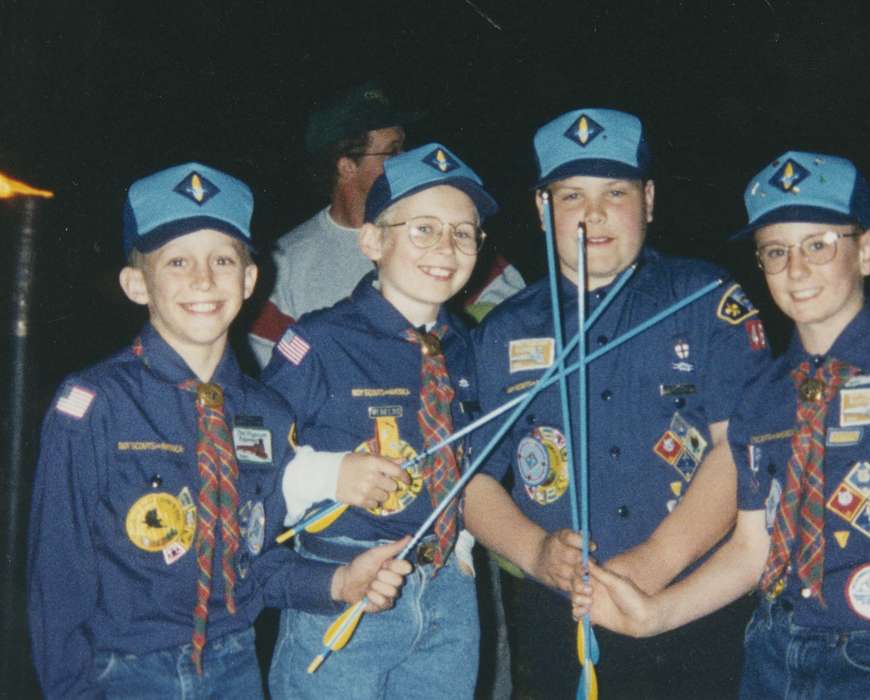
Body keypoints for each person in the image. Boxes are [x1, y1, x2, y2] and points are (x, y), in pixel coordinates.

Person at [572, 151, 870, 699]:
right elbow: (751, 550)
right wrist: (655, 615)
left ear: (867, 250)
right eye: (776, 252)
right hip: (773, 651)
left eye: (818, 245)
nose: (796, 270)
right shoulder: (763, 396)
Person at [26, 162, 412, 698]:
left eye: (223, 259)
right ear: (137, 283)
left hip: (235, 668)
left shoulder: (268, 415)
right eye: (177, 260)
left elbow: (258, 559)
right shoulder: (96, 405)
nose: (203, 279)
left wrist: (338, 583)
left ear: (250, 279)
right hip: (124, 669)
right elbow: (58, 576)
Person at [464, 108, 772, 698]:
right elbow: (469, 480)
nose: (594, 213)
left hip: (693, 601)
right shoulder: (502, 330)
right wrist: (534, 553)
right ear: (540, 207)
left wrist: (656, 560)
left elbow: (738, 447)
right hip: (559, 615)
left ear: (649, 199)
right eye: (571, 194)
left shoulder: (706, 299)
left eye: (616, 191)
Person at [262, 143, 497, 698]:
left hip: (448, 592)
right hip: (347, 583)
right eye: (423, 229)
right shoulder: (320, 341)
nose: (447, 247)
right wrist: (327, 472)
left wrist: (461, 538)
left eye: (464, 233)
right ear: (372, 240)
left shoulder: (466, 348)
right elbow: (254, 457)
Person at [247, 81, 525, 366]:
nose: (407, 159)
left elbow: (522, 321)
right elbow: (267, 378)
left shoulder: (449, 244)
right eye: (392, 151)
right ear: (346, 166)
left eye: (404, 147)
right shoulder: (285, 263)